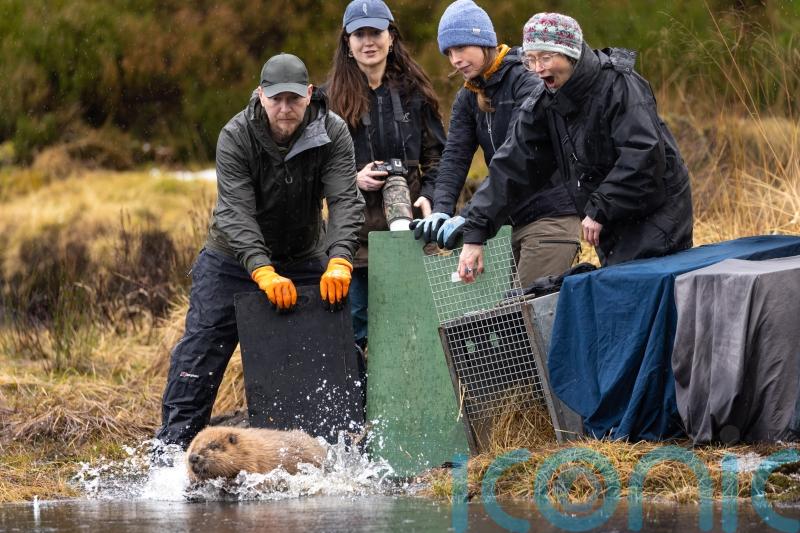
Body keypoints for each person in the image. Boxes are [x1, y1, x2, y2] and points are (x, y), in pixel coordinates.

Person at [155, 53, 365, 448]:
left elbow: (345, 201)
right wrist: (262, 271)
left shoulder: (333, 133)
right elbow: (235, 213)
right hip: (231, 259)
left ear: (309, 94)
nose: (285, 109)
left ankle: (339, 452)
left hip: (305, 255)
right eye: (276, 100)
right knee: (198, 357)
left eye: (294, 100)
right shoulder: (235, 135)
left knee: (334, 350)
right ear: (260, 96)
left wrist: (339, 259)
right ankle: (171, 455)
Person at [450, 13, 693, 282]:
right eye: (530, 60)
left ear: (570, 54)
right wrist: (475, 231)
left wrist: (601, 206)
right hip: (606, 218)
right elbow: (513, 166)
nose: (538, 68)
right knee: (622, 290)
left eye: (545, 57)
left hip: (657, 209)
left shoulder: (617, 84)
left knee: (647, 291)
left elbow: (643, 154)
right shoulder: (544, 101)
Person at [411, 0, 580, 288]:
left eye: (462, 48)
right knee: (514, 320)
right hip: (509, 223)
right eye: (449, 52)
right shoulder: (468, 96)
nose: (455, 59)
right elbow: (454, 158)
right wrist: (442, 208)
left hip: (551, 217)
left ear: (485, 42)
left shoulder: (526, 81)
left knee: (528, 314)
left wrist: (470, 218)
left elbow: (515, 156)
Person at [324, 0, 446, 350]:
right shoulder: (327, 99)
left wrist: (431, 196)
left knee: (415, 320)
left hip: (408, 230)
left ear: (390, 37)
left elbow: (439, 156)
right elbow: (312, 170)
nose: (368, 42)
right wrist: (353, 178)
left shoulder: (415, 93)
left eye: (375, 32)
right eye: (359, 34)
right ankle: (364, 401)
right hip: (353, 237)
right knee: (358, 329)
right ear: (347, 42)